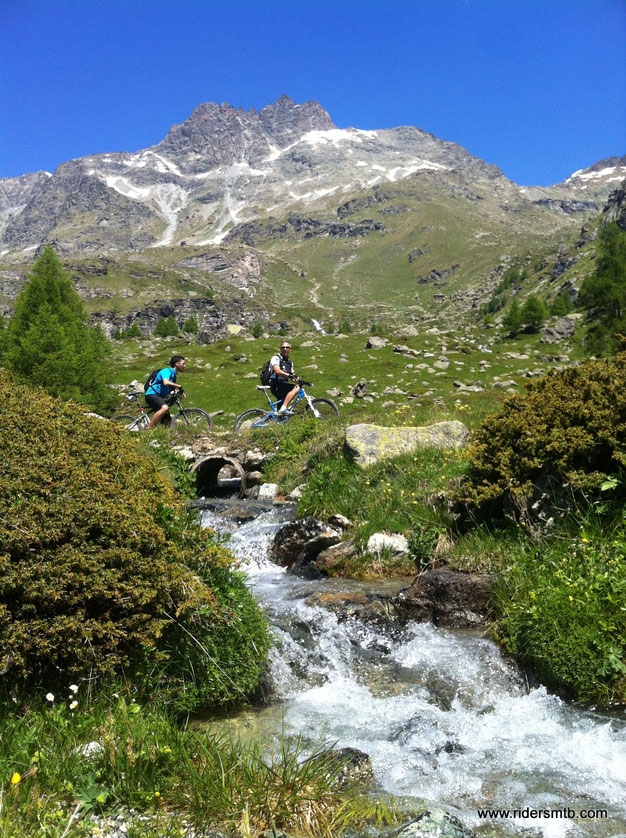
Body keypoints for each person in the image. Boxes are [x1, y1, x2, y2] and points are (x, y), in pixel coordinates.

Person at [144, 355, 186, 428]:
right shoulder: (166, 371)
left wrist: (179, 393)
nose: (184, 366)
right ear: (177, 364)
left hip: (158, 397)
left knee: (167, 422)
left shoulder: (173, 376)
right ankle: (149, 428)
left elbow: (170, 389)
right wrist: (179, 386)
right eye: (183, 364)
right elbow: (165, 382)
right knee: (165, 408)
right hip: (151, 394)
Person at [269, 340, 299, 414]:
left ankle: (278, 422)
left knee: (280, 414)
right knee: (296, 388)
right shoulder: (276, 358)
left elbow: (293, 376)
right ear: (280, 349)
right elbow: (277, 371)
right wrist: (289, 375)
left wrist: (301, 381)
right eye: (283, 347)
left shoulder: (289, 362)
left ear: (290, 349)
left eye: (287, 347)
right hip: (275, 384)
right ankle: (284, 408)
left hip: (283, 385)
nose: (285, 349)